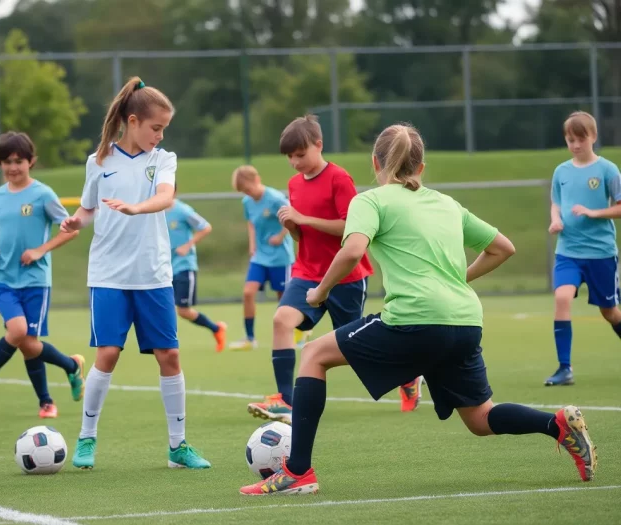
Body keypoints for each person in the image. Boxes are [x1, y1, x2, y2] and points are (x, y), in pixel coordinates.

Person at [239, 123, 597, 496]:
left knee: (313, 353)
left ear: (375, 162)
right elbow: (503, 248)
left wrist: (319, 292)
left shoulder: (371, 200)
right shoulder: (446, 203)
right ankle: (556, 424)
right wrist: (458, 280)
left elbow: (351, 251)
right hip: (464, 322)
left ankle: (297, 472)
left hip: (414, 320)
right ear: (421, 167)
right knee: (480, 417)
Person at [61, 77, 210, 470]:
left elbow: (165, 197)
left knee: (170, 355)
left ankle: (178, 447)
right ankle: (86, 439)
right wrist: (76, 221)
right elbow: (89, 208)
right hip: (108, 274)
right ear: (132, 121)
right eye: (155, 128)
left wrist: (135, 208)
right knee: (107, 353)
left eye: (164, 129)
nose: (159, 136)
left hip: (154, 273)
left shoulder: (163, 159)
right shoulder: (99, 161)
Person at [246, 115, 422, 424]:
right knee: (281, 320)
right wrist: (292, 226)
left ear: (319, 145)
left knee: (358, 350)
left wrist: (304, 219)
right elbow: (302, 234)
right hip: (307, 272)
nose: (294, 161)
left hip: (346, 278)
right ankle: (286, 401)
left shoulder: (339, 178)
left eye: (300, 154)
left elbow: (349, 228)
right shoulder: (293, 184)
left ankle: (408, 376)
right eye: (289, 156)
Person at [0, 131, 85, 420]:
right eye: (6, 161)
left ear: (31, 161)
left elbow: (71, 230)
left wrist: (41, 250)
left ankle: (49, 395)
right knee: (20, 335)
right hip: (4, 279)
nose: (12, 167)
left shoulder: (43, 194)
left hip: (35, 282)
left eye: (19, 161)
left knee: (28, 344)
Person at [545, 111, 621, 386]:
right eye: (570, 140)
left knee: (610, 312)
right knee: (562, 298)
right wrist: (556, 220)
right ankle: (565, 368)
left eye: (581, 139)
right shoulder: (561, 172)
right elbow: (556, 202)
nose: (576, 145)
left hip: (601, 253)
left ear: (593, 137)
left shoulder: (608, 170)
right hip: (568, 252)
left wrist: (592, 212)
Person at [229, 165, 297, 351]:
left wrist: (281, 236)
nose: (248, 194)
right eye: (244, 192)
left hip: (280, 257)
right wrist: (252, 245)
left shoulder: (275, 198)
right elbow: (251, 223)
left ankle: (295, 335)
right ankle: (250, 338)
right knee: (248, 292)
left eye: (248, 189)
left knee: (284, 300)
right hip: (260, 257)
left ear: (257, 180)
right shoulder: (247, 202)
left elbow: (292, 216)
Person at [166, 183, 227, 351]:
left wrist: (188, 245)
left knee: (183, 311)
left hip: (184, 266)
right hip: (164, 268)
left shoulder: (183, 211)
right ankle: (164, 343)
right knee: (162, 306)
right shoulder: (155, 212)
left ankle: (217, 329)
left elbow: (205, 227)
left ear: (173, 191)